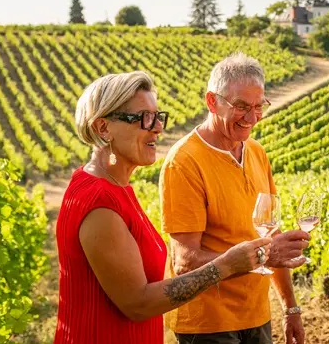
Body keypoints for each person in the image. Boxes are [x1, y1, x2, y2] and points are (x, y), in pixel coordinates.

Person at [55, 71, 271, 344]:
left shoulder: (115, 189)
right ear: (103, 128)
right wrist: (226, 265)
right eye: (143, 118)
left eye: (158, 117)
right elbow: (138, 304)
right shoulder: (100, 204)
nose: (157, 127)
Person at [160, 52, 309, 344]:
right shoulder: (184, 162)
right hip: (208, 322)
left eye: (258, 106)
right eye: (241, 106)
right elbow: (185, 261)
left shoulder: (256, 152)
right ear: (212, 101)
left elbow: (271, 237)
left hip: (256, 314)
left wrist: (291, 308)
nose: (252, 118)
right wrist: (261, 257)